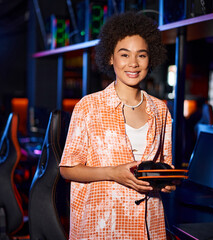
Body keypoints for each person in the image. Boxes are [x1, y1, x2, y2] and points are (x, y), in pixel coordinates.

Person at [59, 12, 175, 240]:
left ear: (150, 59)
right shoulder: (88, 107)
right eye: (124, 55)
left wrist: (165, 182)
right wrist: (114, 174)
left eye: (141, 55)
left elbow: (164, 166)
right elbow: (66, 169)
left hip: (148, 227)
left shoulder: (160, 110)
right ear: (111, 57)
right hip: (102, 225)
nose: (133, 63)